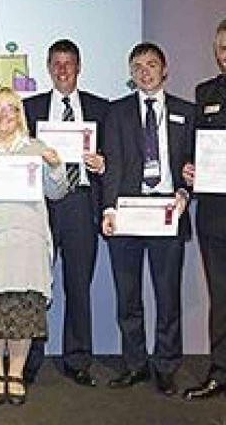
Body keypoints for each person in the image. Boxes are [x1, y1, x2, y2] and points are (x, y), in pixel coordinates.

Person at [0, 87, 68, 406]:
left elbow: (57, 193)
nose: (4, 115)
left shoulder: (36, 148)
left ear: (20, 115)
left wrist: (56, 165)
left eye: (11, 109)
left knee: (23, 309)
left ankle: (15, 374)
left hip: (28, 242)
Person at [102, 42, 195, 397]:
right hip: (128, 213)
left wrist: (188, 191)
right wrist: (108, 210)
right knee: (128, 297)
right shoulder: (117, 112)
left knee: (167, 295)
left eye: (152, 64)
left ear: (164, 69)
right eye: (137, 66)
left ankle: (167, 365)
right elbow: (111, 165)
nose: (145, 71)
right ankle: (135, 364)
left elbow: (193, 163)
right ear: (130, 74)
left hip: (168, 213)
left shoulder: (187, 111)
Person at [22, 39, 109, 386]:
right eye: (56, 63)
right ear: (48, 67)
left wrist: (104, 163)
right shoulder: (30, 109)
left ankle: (77, 359)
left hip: (82, 203)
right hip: (40, 205)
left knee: (78, 284)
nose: (62, 70)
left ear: (79, 67)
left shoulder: (101, 109)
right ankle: (28, 358)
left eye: (68, 63)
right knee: (36, 285)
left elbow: (117, 156)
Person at [182, 18, 226, 400]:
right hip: (214, 213)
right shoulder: (204, 93)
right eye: (223, 48)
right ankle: (220, 370)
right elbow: (196, 146)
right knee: (221, 297)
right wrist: (191, 168)